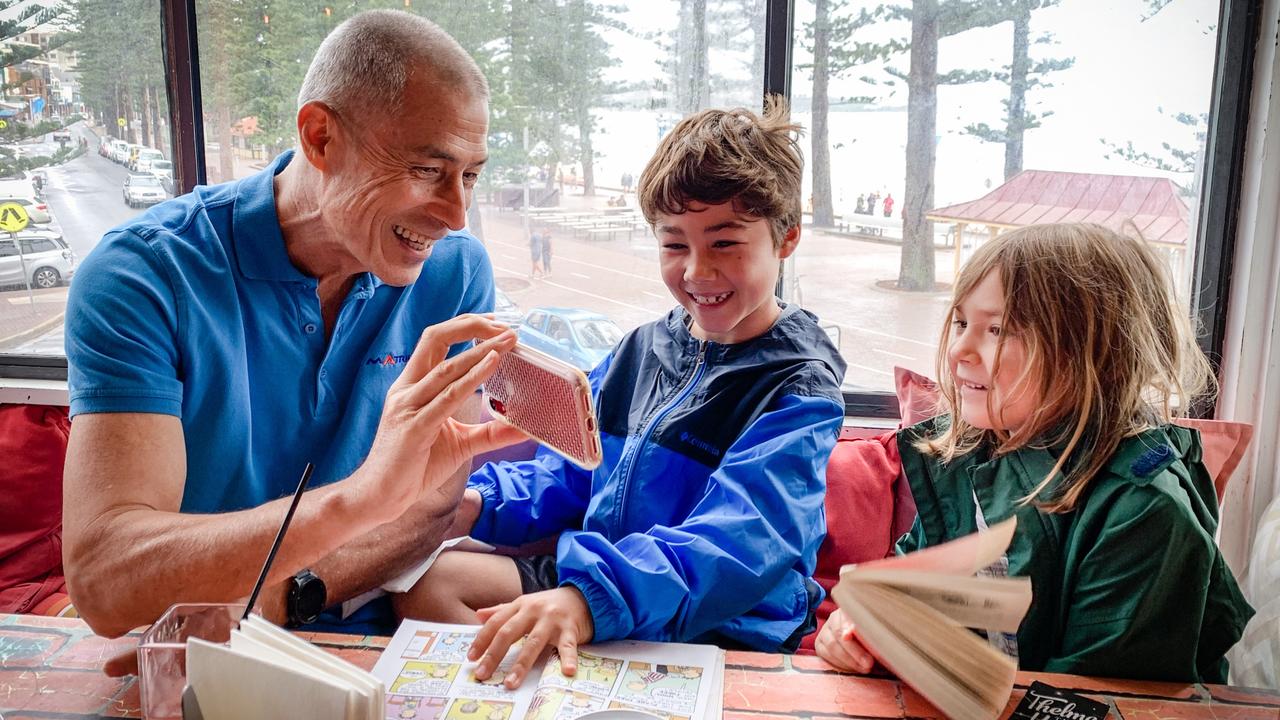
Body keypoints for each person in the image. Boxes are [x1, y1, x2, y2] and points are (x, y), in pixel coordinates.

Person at [61, 10, 525, 645]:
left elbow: (432, 505)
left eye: (470, 175)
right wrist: (355, 502)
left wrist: (274, 603)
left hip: (274, 626)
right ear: (320, 137)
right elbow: (106, 577)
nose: (455, 214)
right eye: (427, 170)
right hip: (183, 644)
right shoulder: (144, 275)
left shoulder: (457, 273)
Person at [392, 98, 847, 689]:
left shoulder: (799, 387)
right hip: (602, 585)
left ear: (785, 239)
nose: (697, 272)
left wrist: (585, 603)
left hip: (718, 620)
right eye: (675, 244)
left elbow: (741, 540)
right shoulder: (640, 349)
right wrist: (474, 503)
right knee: (431, 583)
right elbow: (571, 470)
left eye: (726, 244)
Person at [815, 223, 1254, 683]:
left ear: (1091, 352)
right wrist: (860, 627)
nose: (960, 350)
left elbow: (1100, 698)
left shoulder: (1144, 512)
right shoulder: (966, 455)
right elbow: (904, 591)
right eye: (963, 323)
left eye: (998, 329)